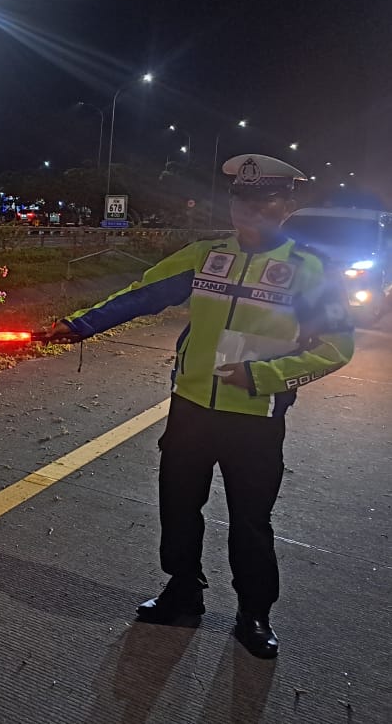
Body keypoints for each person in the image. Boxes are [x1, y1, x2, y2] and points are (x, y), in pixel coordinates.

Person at [45, 153, 354, 659]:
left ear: (287, 206)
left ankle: (254, 613)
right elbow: (142, 293)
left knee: (251, 520)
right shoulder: (206, 254)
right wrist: (79, 325)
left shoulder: (308, 270)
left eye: (264, 199)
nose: (248, 210)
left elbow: (335, 348)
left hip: (255, 418)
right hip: (190, 407)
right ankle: (183, 588)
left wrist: (263, 377)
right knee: (178, 504)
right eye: (240, 198)